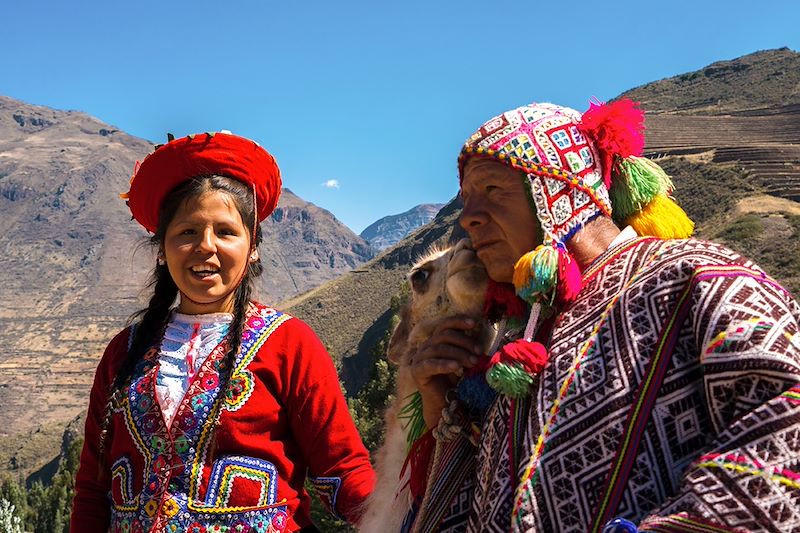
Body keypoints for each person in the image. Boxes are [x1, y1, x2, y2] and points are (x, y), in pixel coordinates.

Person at [405, 101, 800, 532]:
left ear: (558, 194)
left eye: (492, 191)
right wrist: (443, 404)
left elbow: (784, 440)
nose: (468, 219)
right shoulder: (523, 340)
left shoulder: (699, 278)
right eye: (467, 200)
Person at [70, 132, 375, 533]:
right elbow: (94, 490)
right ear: (162, 248)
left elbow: (343, 470)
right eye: (187, 232)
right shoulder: (123, 353)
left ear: (253, 248)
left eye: (226, 232)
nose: (205, 247)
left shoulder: (290, 345)